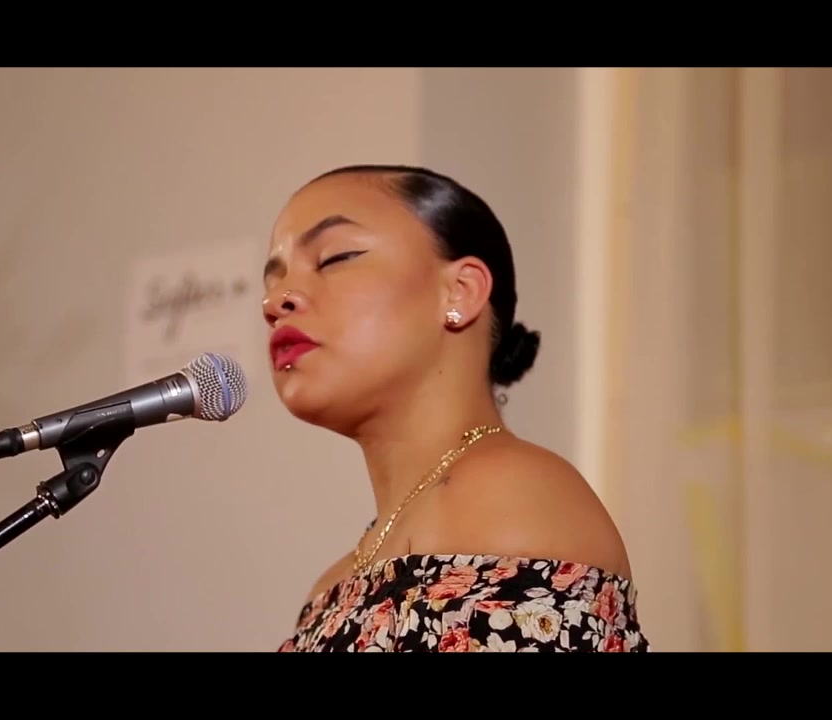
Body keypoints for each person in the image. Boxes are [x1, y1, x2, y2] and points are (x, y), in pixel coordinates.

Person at [262, 164, 649, 652]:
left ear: (461, 291)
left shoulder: (512, 495)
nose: (275, 301)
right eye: (273, 279)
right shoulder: (331, 587)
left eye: (334, 257)